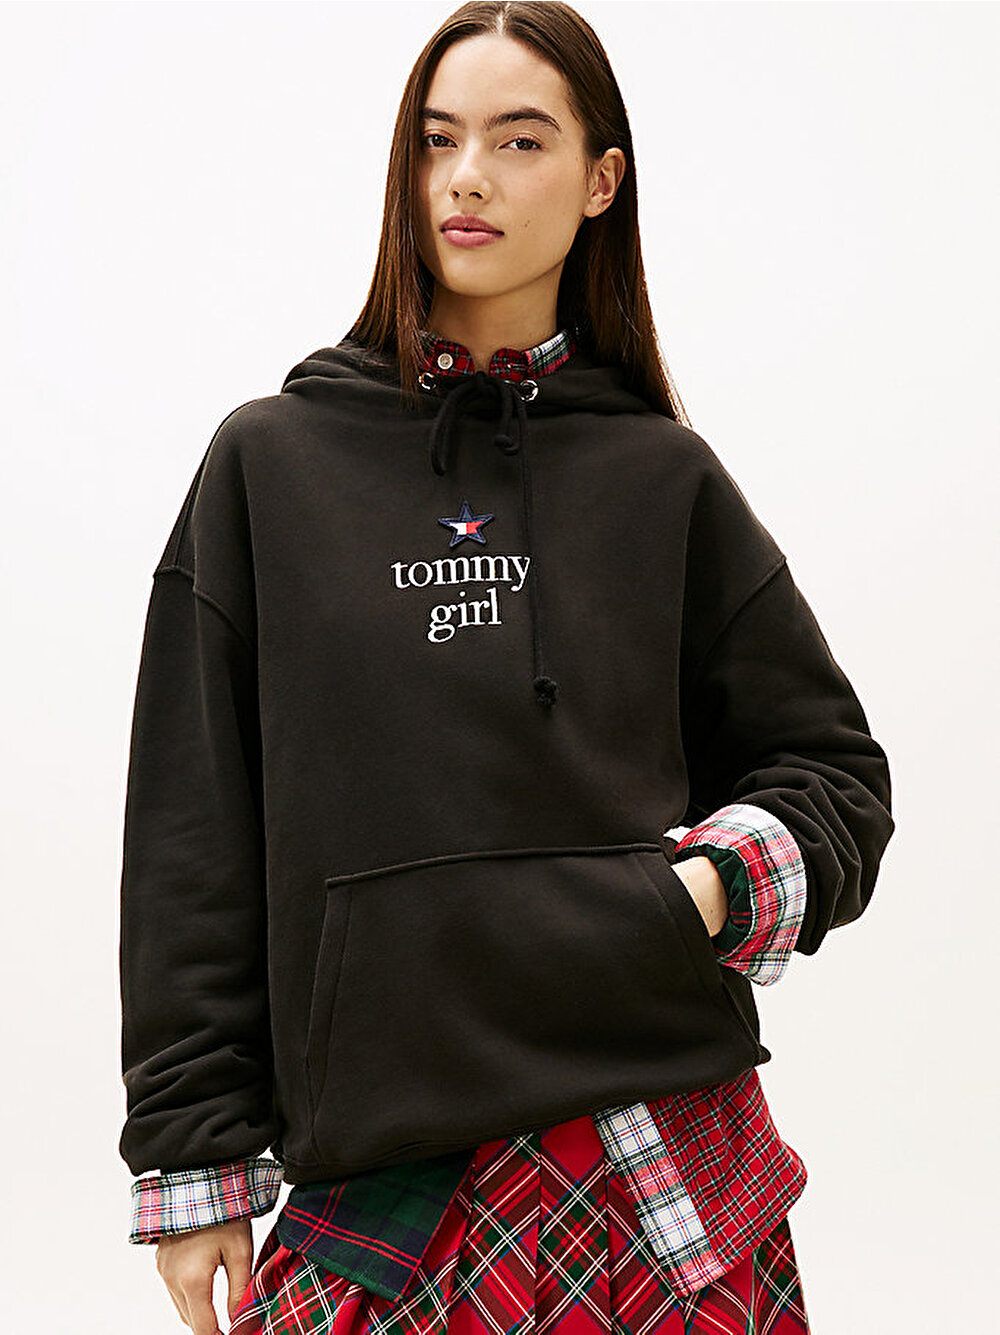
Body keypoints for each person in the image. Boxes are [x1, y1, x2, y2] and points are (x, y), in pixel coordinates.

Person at [117, 4, 894, 1332]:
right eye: (438, 140)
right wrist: (195, 1162)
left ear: (601, 180)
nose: (466, 177)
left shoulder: (661, 477)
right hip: (387, 1185)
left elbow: (836, 774)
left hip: (662, 1167)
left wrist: (697, 894)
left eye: (519, 139)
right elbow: (194, 835)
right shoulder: (270, 465)